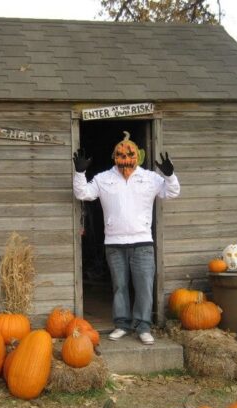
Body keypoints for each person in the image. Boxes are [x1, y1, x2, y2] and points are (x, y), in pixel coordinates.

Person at [72, 131, 181, 345]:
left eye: (129, 155)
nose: (125, 160)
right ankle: (121, 324)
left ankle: (143, 326)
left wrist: (169, 175)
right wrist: (79, 172)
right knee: (119, 286)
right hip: (114, 243)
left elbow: (172, 192)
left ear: (137, 157)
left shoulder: (150, 178)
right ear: (115, 157)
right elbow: (83, 193)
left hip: (142, 243)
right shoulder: (104, 179)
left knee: (144, 286)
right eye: (120, 155)